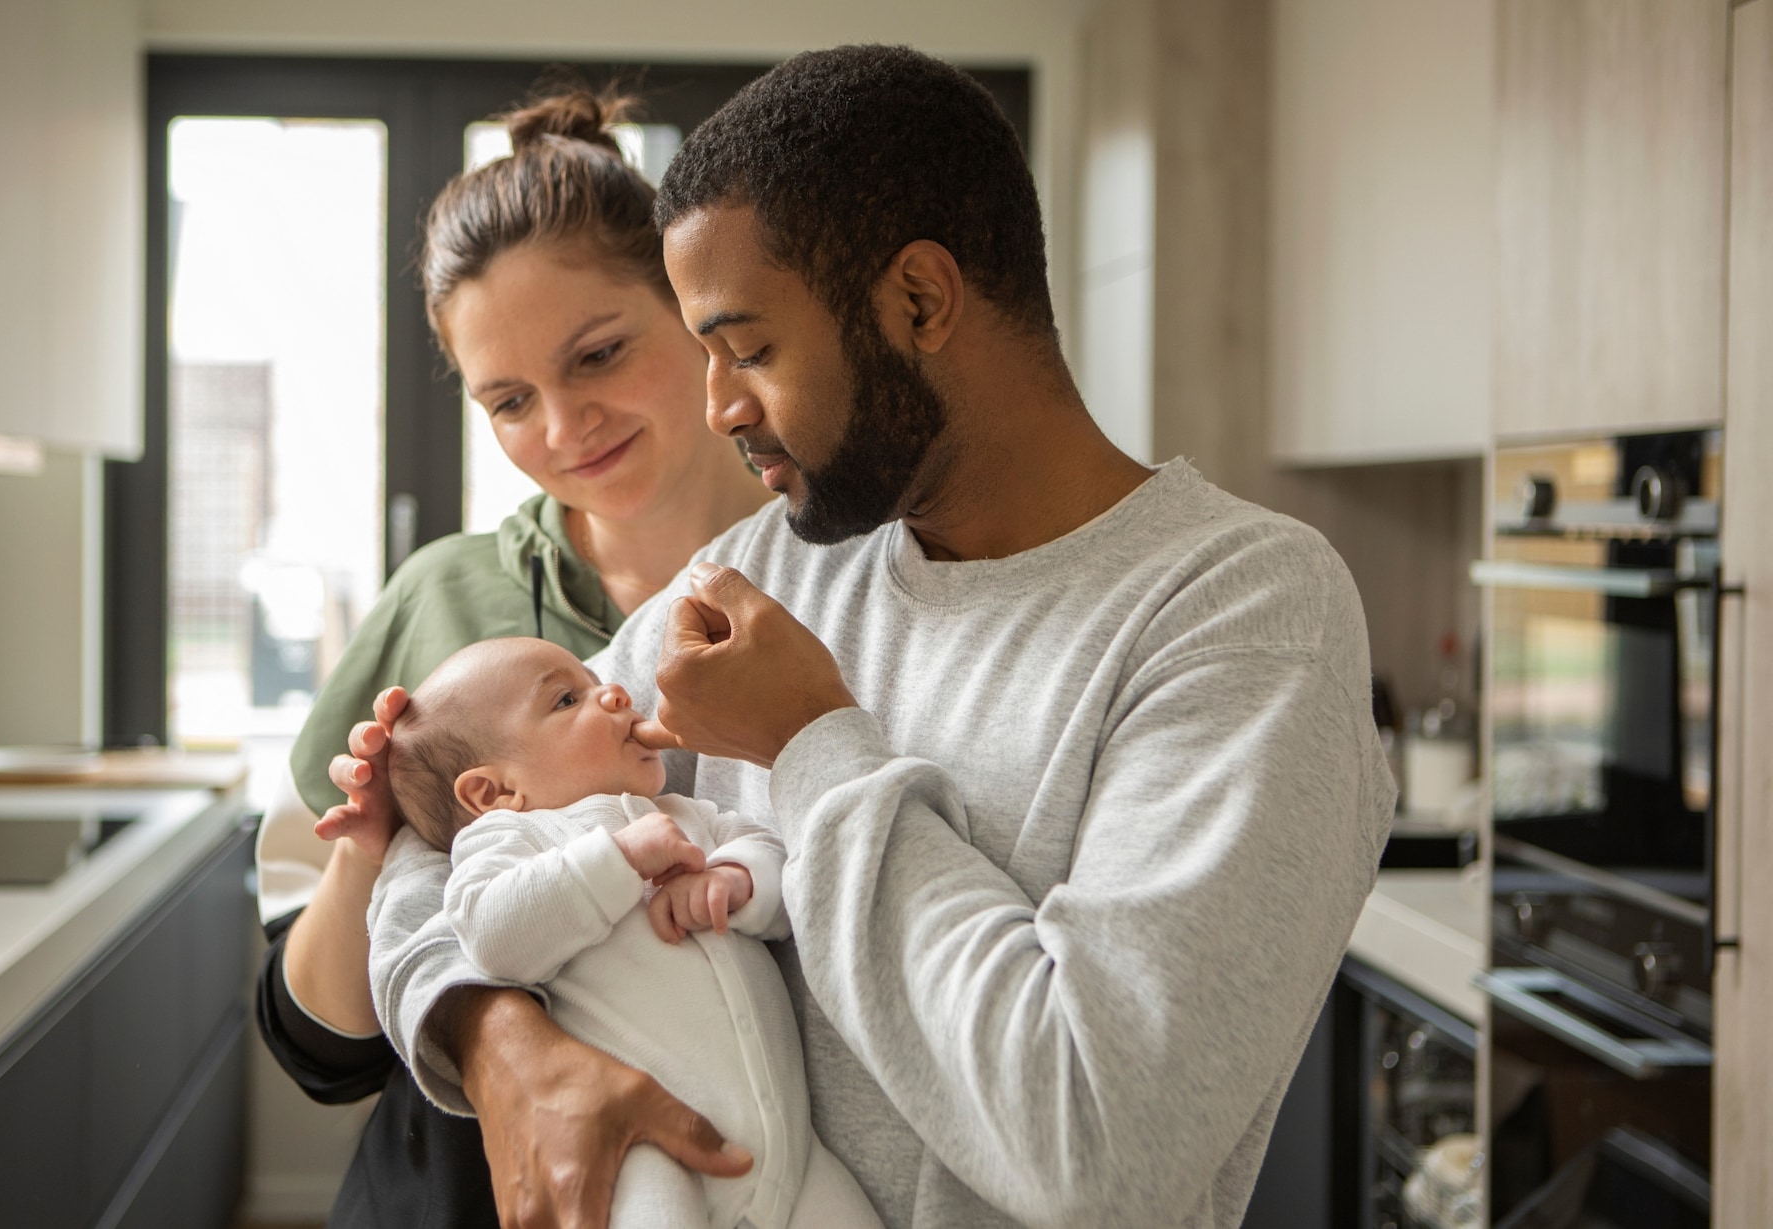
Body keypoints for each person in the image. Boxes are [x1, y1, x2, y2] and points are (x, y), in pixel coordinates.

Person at [337, 45, 1395, 1229]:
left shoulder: (1239, 608)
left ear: (918, 300)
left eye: (747, 347)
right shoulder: (769, 572)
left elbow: (1095, 1142)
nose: (718, 405)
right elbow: (462, 824)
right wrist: (493, 1035)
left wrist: (812, 741)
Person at [251, 88, 771, 1228]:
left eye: (597, 354)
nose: (561, 427)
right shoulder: (442, 602)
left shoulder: (835, 581)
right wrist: (367, 856)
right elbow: (321, 1047)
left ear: (691, 310)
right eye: (508, 400)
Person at [345, 636, 883, 1229]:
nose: (615, 693)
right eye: (568, 699)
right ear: (494, 793)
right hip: (644, 1145)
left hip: (792, 1152)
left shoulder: (686, 814)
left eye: (596, 680)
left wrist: (736, 879)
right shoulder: (508, 842)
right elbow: (493, 934)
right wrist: (619, 860)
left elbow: (787, 873)